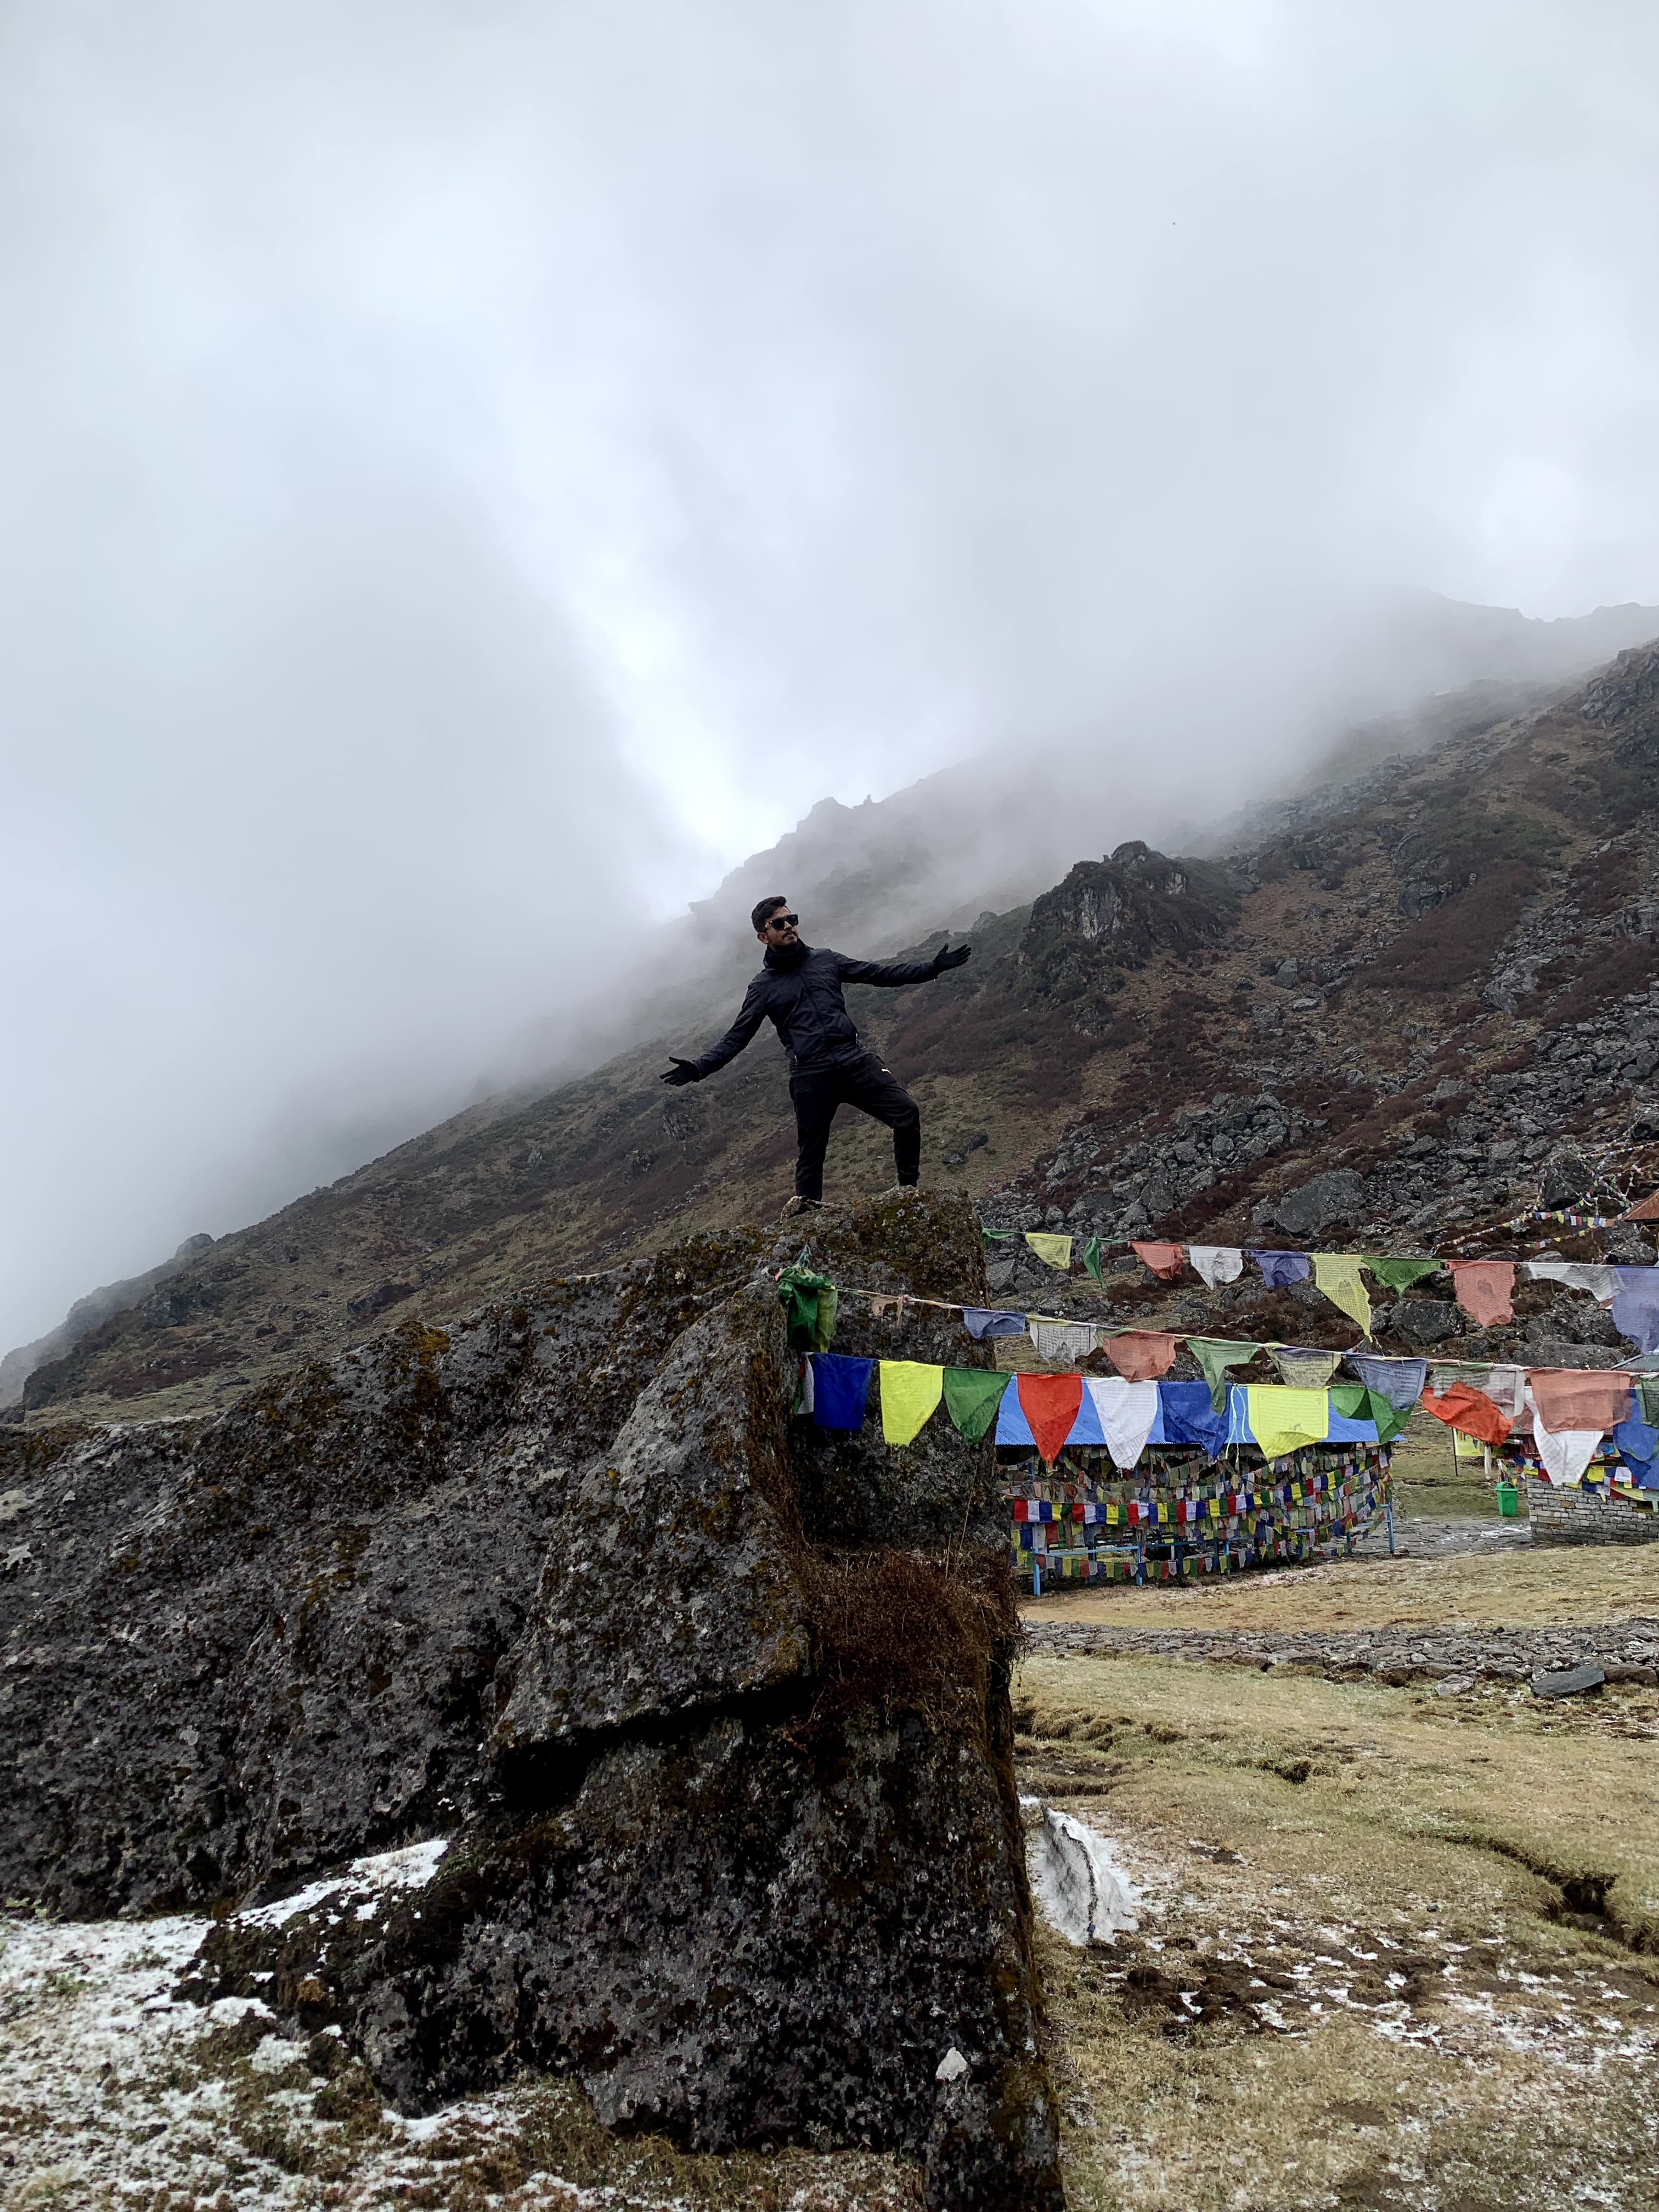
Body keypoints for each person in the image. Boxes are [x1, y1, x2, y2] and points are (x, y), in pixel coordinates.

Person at [662, 895, 972, 1215]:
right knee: (812, 1151)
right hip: (810, 1075)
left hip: (854, 1060)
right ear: (763, 937)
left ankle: (909, 1194)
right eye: (779, 923)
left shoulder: (826, 960)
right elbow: (737, 1037)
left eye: (791, 919)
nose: (789, 926)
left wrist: (932, 968)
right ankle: (806, 1219)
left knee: (906, 1113)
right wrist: (699, 1068)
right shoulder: (763, 987)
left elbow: (880, 974)